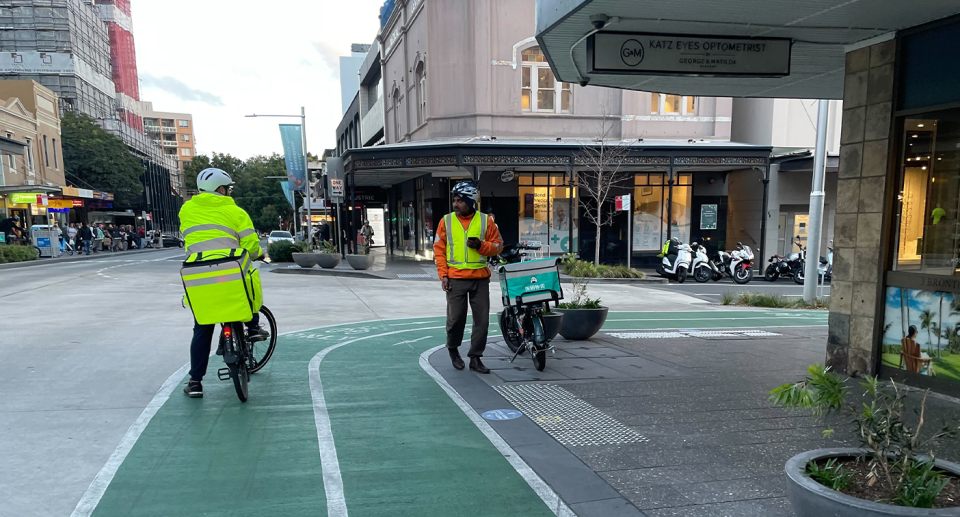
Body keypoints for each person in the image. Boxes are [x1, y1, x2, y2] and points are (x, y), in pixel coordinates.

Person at [180, 168, 269, 398]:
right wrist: (258, 253)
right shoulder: (235, 210)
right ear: (221, 189)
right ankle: (252, 325)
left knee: (202, 327)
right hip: (230, 271)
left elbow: (187, 238)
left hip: (198, 273)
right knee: (249, 282)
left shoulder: (186, 209)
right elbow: (250, 245)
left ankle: (195, 382)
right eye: (227, 188)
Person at [434, 182, 502, 374]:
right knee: (456, 320)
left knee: (482, 321)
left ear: (470, 202)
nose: (455, 204)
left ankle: (475, 357)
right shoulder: (445, 221)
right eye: (454, 200)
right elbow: (439, 250)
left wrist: (481, 246)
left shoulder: (485, 221)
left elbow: (498, 246)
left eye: (460, 201)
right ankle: (453, 350)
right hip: (455, 278)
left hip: (480, 278)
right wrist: (443, 275)